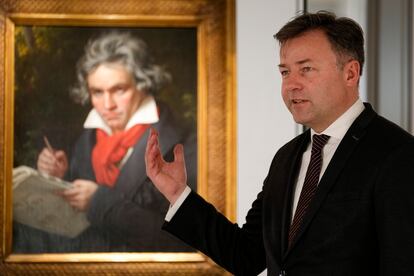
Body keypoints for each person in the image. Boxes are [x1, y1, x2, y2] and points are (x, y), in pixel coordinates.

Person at [145, 11, 414, 275]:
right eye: (285, 72)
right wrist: (178, 194)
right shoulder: (287, 157)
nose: (291, 85)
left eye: (306, 69)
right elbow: (245, 255)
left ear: (350, 73)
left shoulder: (397, 154)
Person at [14, 31, 196, 253]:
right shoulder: (87, 140)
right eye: (97, 92)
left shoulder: (182, 142)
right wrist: (62, 175)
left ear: (142, 84)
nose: (107, 105)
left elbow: (185, 243)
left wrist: (100, 203)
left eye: (119, 89)